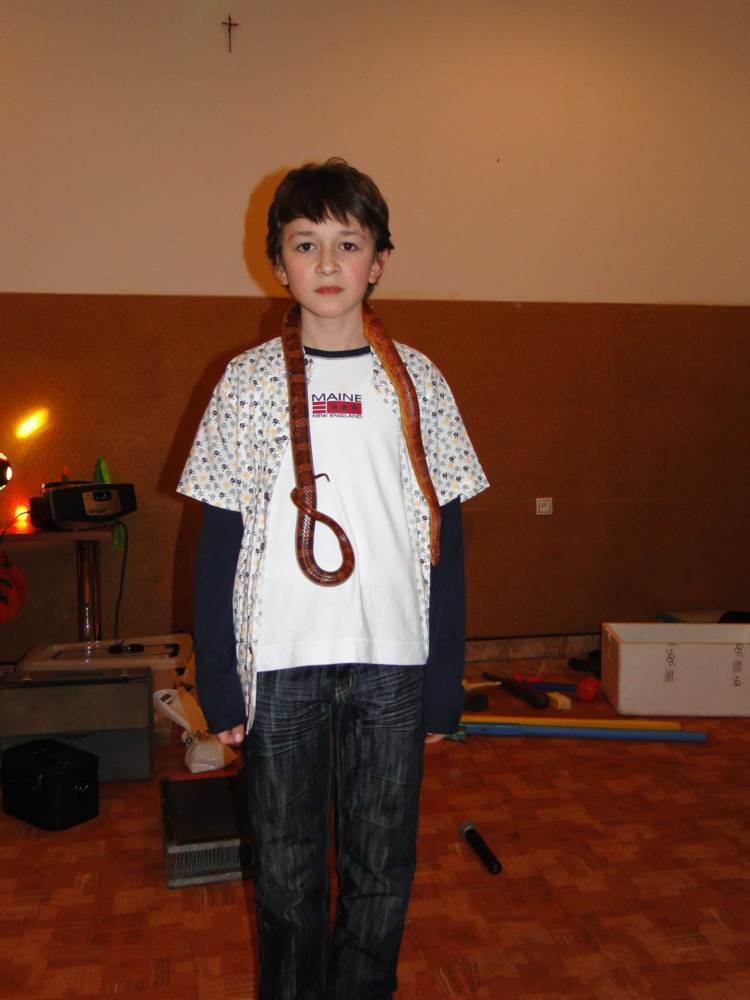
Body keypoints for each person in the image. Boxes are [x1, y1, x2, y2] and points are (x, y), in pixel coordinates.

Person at [177, 158, 488, 1000]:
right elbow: (217, 540)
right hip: (280, 666)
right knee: (286, 880)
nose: (325, 263)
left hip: (394, 664)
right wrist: (219, 683)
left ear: (378, 261)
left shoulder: (418, 383)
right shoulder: (244, 384)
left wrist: (444, 682)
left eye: (347, 244)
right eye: (304, 243)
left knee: (382, 871)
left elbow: (448, 539)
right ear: (277, 264)